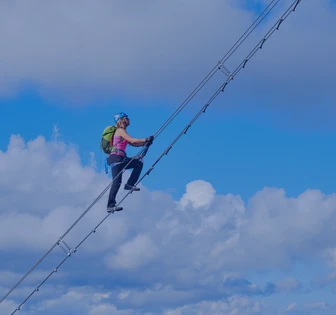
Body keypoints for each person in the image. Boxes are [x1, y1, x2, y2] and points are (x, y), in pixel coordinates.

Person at [107, 112, 154, 213]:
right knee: (117, 182)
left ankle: (129, 185)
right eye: (127, 118)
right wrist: (146, 139)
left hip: (119, 158)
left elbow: (132, 144)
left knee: (137, 164)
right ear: (123, 120)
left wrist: (145, 143)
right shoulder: (120, 130)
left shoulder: (122, 132)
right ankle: (111, 204)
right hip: (117, 158)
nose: (129, 120)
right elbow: (132, 141)